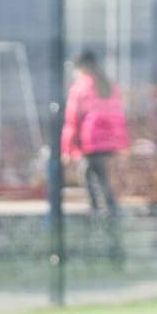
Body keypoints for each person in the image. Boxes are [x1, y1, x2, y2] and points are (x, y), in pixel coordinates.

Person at [61, 50, 130, 218]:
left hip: (91, 140)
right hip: (109, 141)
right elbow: (118, 116)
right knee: (94, 171)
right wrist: (122, 143)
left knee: (92, 172)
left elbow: (72, 119)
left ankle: (103, 208)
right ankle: (105, 207)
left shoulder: (81, 87)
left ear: (81, 68)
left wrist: (67, 148)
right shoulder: (108, 85)